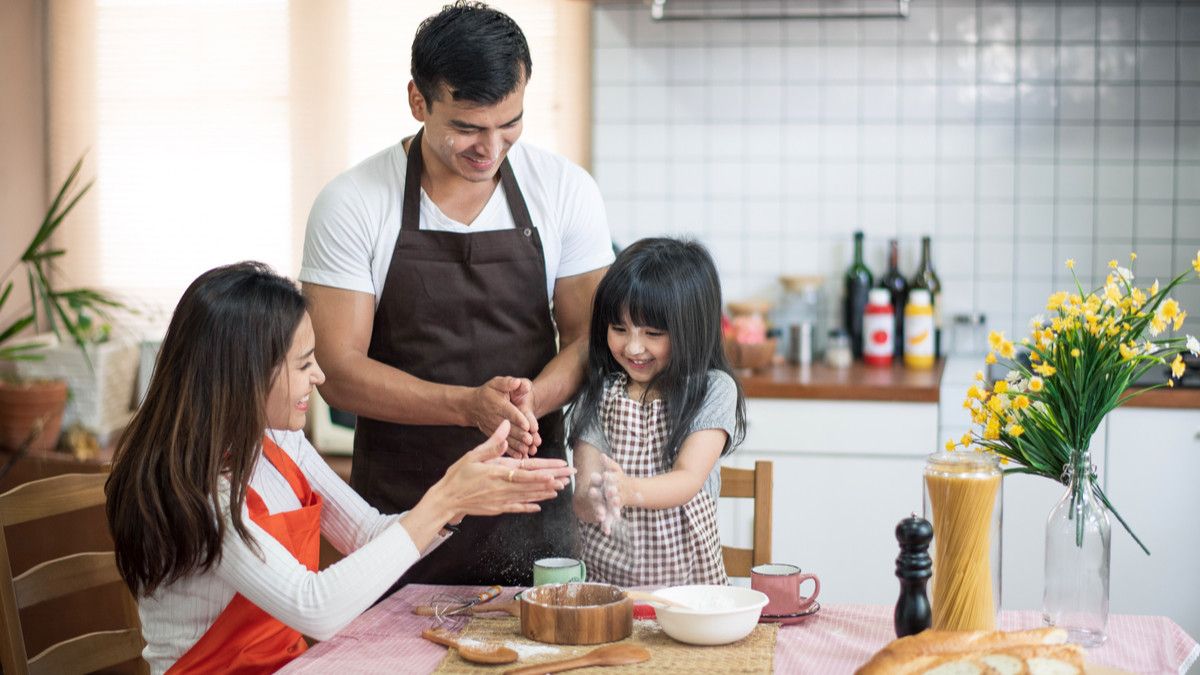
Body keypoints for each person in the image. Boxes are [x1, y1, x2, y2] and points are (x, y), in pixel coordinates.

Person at [105, 262, 573, 675]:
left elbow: (369, 534)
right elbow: (316, 608)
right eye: (305, 364)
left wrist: (460, 502)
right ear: (246, 372)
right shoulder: (198, 490)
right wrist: (446, 497)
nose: (320, 378)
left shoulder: (280, 443)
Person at [299, 1, 613, 586]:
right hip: (397, 514)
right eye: (467, 127)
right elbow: (337, 371)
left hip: (530, 502)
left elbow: (589, 339)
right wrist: (469, 406)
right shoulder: (355, 202)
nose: (490, 148)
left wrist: (526, 408)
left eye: (509, 123)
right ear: (418, 101)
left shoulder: (566, 191)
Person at [569, 238, 747, 587]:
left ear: (690, 329)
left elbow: (687, 479)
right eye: (619, 329)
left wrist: (628, 490)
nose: (633, 346)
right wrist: (595, 500)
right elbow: (583, 493)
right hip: (609, 592)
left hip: (692, 595)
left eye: (652, 333)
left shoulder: (711, 389)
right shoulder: (599, 391)